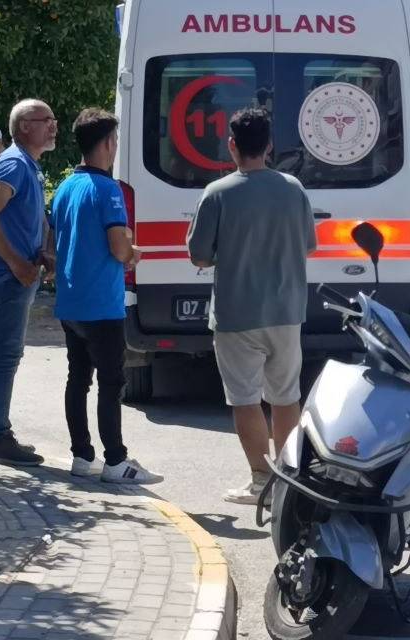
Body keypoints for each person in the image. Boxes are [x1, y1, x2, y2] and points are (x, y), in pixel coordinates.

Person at [186, 108, 317, 504]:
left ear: (232, 145)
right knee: (285, 395)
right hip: (287, 311)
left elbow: (199, 256)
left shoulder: (218, 193)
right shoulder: (294, 188)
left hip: (236, 315)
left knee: (244, 398)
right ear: (270, 146)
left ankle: (261, 480)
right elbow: (309, 245)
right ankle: (291, 478)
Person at [48, 108, 160, 484]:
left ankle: (82, 455)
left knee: (77, 379)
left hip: (71, 300)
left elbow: (54, 242)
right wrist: (132, 253)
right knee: (111, 383)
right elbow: (117, 247)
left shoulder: (65, 187)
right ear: (109, 143)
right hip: (102, 303)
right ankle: (116, 461)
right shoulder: (108, 189)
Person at [0, 99, 59, 466]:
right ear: (24, 127)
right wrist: (18, 264)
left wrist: (41, 253)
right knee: (5, 357)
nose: (54, 126)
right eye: (45, 120)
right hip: (4, 278)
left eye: (54, 120)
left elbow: (20, 220)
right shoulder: (13, 163)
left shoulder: (26, 165)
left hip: (1, 275)